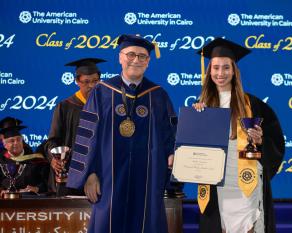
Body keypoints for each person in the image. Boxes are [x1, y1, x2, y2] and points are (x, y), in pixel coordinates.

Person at [66, 34, 177, 233]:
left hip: (147, 183)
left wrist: (174, 158)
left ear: (148, 61)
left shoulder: (158, 95)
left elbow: (170, 138)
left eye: (142, 56)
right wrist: (89, 174)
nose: (136, 60)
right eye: (131, 54)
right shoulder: (101, 92)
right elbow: (86, 137)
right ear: (120, 57)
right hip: (108, 180)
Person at [192, 38, 285, 233]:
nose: (220, 73)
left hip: (245, 181)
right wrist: (196, 121)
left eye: (226, 68)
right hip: (217, 183)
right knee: (220, 226)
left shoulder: (253, 104)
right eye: (216, 68)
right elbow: (192, 149)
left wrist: (260, 141)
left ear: (234, 71)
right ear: (209, 71)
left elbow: (274, 141)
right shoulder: (202, 106)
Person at [44, 58, 106, 196]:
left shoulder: (107, 106)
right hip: (72, 175)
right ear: (77, 82)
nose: (91, 86)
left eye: (95, 81)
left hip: (102, 173)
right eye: (86, 82)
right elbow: (53, 140)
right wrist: (54, 158)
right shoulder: (65, 106)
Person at [0, 124, 49, 197]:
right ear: (5, 145)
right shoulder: (1, 160)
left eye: (18, 139)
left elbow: (46, 181)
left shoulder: (36, 160)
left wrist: (37, 188)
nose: (16, 143)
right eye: (12, 141)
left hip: (30, 201)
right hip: (5, 202)